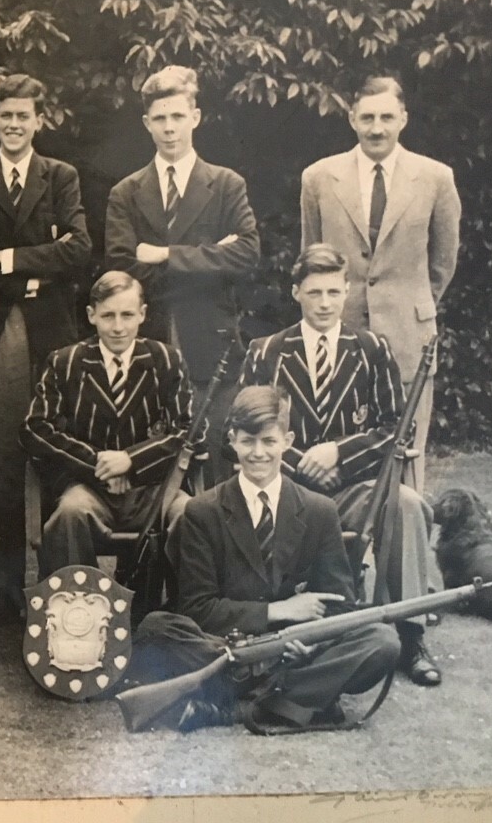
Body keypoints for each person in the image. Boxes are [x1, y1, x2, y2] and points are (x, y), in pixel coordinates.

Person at [130, 386, 401, 733]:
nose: (258, 453)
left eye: (269, 442)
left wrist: (308, 641)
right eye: (248, 441)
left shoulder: (320, 510)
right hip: (224, 646)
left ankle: (234, 706)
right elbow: (197, 608)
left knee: (381, 641)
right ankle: (295, 699)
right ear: (232, 440)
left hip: (294, 653)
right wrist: (279, 611)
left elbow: (340, 606)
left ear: (287, 440)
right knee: (157, 629)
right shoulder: (202, 512)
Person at [237, 243, 441, 686]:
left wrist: (338, 453)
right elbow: (240, 425)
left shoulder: (372, 349)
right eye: (314, 293)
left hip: (352, 488)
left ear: (347, 291)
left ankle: (410, 636)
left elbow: (395, 427)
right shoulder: (266, 351)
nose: (325, 303)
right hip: (285, 487)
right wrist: (300, 460)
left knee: (405, 503)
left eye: (333, 292)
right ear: (296, 293)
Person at [0, 73, 91, 619]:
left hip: (54, 332)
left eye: (23, 115)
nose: (14, 124)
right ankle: (5, 592)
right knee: (6, 461)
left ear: (39, 119)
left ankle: (61, 586)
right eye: (5, 115)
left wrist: (5, 260)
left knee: (58, 455)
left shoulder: (61, 176)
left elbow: (78, 250)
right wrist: (36, 264)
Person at [301, 75, 461, 490]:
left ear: (403, 119)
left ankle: (400, 553)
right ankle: (343, 551)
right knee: (336, 456)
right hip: (339, 338)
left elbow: (442, 263)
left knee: (406, 460)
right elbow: (313, 260)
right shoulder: (319, 177)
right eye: (367, 117)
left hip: (409, 340)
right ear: (352, 118)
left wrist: (409, 304)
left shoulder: (435, 178)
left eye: (387, 117)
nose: (377, 128)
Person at [104, 65, 259, 476]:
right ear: (146, 123)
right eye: (160, 118)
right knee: (153, 466)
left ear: (195, 116)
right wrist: (210, 257)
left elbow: (246, 256)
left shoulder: (226, 185)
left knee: (218, 466)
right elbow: (122, 267)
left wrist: (164, 255)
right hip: (148, 339)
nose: (169, 128)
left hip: (212, 343)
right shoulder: (126, 192)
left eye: (177, 116)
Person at [21, 271, 196, 580]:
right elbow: (36, 428)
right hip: (89, 489)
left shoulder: (166, 360)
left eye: (127, 315)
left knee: (189, 514)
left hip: (153, 490)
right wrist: (99, 464)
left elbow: (189, 430)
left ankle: (183, 616)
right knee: (70, 513)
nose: (118, 327)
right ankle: (77, 612)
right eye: (108, 315)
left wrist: (131, 461)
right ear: (91, 315)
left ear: (142, 314)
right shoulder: (65, 362)